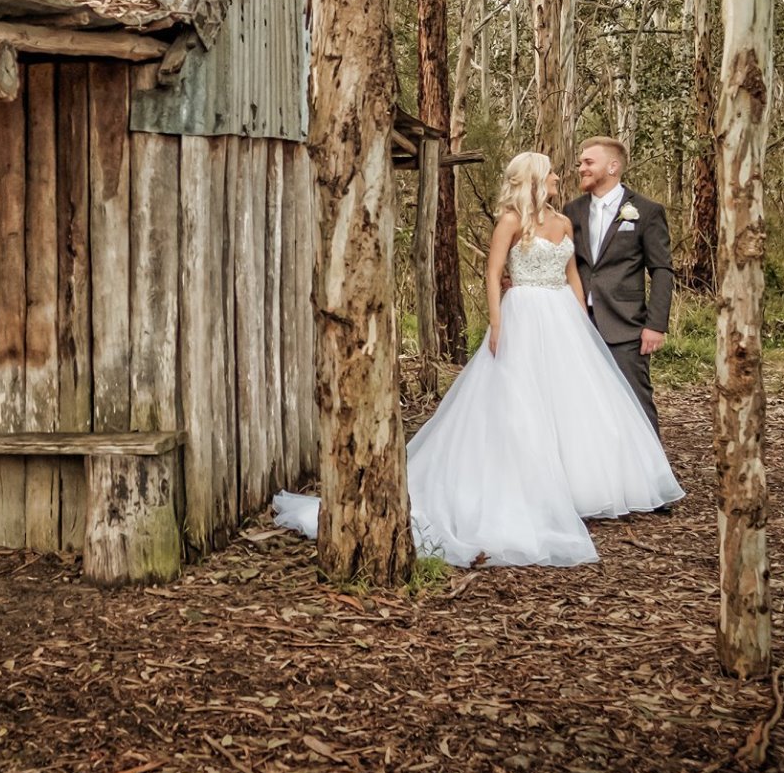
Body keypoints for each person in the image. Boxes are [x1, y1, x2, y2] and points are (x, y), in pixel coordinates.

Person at [270, 152, 681, 568]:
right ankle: (526, 486)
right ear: (535, 178)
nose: (561, 176)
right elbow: (492, 272)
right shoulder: (510, 221)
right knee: (519, 401)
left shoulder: (563, 221)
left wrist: (582, 321)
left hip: (562, 317)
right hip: (522, 312)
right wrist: (498, 323)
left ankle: (579, 489)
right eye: (553, 172)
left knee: (571, 401)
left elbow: (574, 273)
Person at [563, 137, 674, 436]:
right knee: (581, 404)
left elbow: (661, 270)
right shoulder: (571, 211)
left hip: (625, 326)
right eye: (580, 163)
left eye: (588, 162)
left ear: (612, 166)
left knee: (635, 403)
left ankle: (652, 477)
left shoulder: (647, 211)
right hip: (578, 324)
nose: (581, 168)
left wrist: (656, 324)